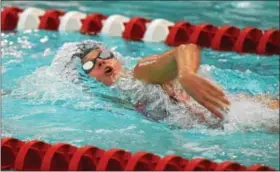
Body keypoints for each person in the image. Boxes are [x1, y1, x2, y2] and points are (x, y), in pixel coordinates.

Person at [73, 40, 278, 124]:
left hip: (245, 113)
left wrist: (187, 74)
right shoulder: (119, 99)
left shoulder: (139, 72)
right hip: (226, 120)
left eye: (104, 55)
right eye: (90, 66)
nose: (101, 61)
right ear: (89, 79)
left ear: (116, 58)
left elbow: (185, 49)